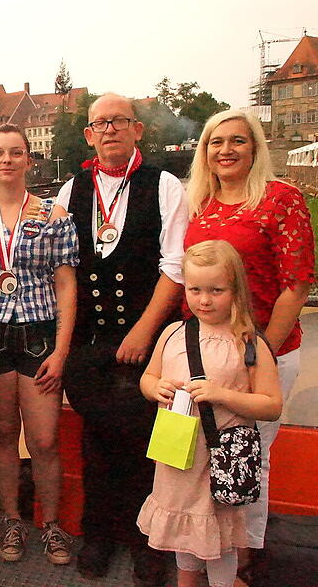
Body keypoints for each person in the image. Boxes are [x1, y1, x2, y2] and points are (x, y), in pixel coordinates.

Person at [54, 93, 189, 585]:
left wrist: (143, 330)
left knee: (144, 443)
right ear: (89, 135)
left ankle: (147, 543)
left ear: (137, 130)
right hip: (90, 343)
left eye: (118, 121)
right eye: (99, 123)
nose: (109, 129)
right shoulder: (72, 190)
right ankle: (99, 534)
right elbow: (61, 267)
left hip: (146, 342)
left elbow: (173, 267)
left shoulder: (165, 185)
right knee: (96, 440)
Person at [183, 109, 314, 583]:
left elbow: (297, 284)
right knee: (205, 457)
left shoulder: (282, 199)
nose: (226, 150)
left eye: (237, 141)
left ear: (255, 147)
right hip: (206, 353)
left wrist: (260, 352)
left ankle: (241, 557)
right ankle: (202, 548)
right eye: (216, 142)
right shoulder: (201, 203)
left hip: (265, 351)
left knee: (247, 459)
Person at [0, 124, 78, 565]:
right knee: (4, 435)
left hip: (39, 333)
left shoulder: (55, 216)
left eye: (15, 153)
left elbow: (66, 285)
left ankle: (52, 525)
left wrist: (62, 350)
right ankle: (11, 519)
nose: (6, 161)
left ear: (29, 159)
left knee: (44, 440)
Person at [137, 240, 282, 587]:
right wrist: (154, 388)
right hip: (177, 458)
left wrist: (223, 395)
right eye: (195, 289)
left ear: (235, 290)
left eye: (216, 290)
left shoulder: (249, 343)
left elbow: (272, 405)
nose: (204, 299)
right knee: (183, 537)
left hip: (220, 462)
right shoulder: (173, 333)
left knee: (220, 542)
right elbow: (148, 377)